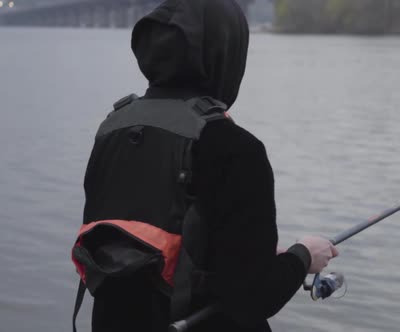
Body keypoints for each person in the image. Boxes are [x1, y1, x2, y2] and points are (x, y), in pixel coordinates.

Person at [72, 1, 338, 331]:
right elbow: (251, 299)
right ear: (226, 53)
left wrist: (254, 252)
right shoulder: (236, 148)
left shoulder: (111, 130)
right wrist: (302, 257)